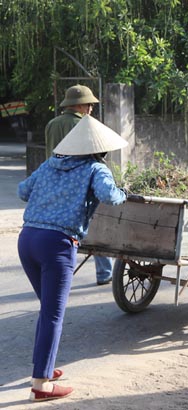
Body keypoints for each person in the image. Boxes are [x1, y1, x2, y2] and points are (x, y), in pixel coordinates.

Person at [18, 115, 128, 401]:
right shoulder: (95, 168)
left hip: (27, 239)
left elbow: (21, 192)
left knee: (48, 309)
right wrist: (123, 193)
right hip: (56, 244)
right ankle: (41, 385)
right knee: (53, 314)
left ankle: (45, 367)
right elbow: (109, 196)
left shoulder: (49, 164)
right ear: (100, 150)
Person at [45, 84, 115, 285]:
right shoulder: (85, 124)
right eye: (89, 105)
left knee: (59, 229)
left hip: (56, 181)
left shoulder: (52, 124)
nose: (91, 109)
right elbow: (96, 154)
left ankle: (56, 273)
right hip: (80, 182)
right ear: (81, 106)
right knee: (95, 226)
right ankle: (104, 273)